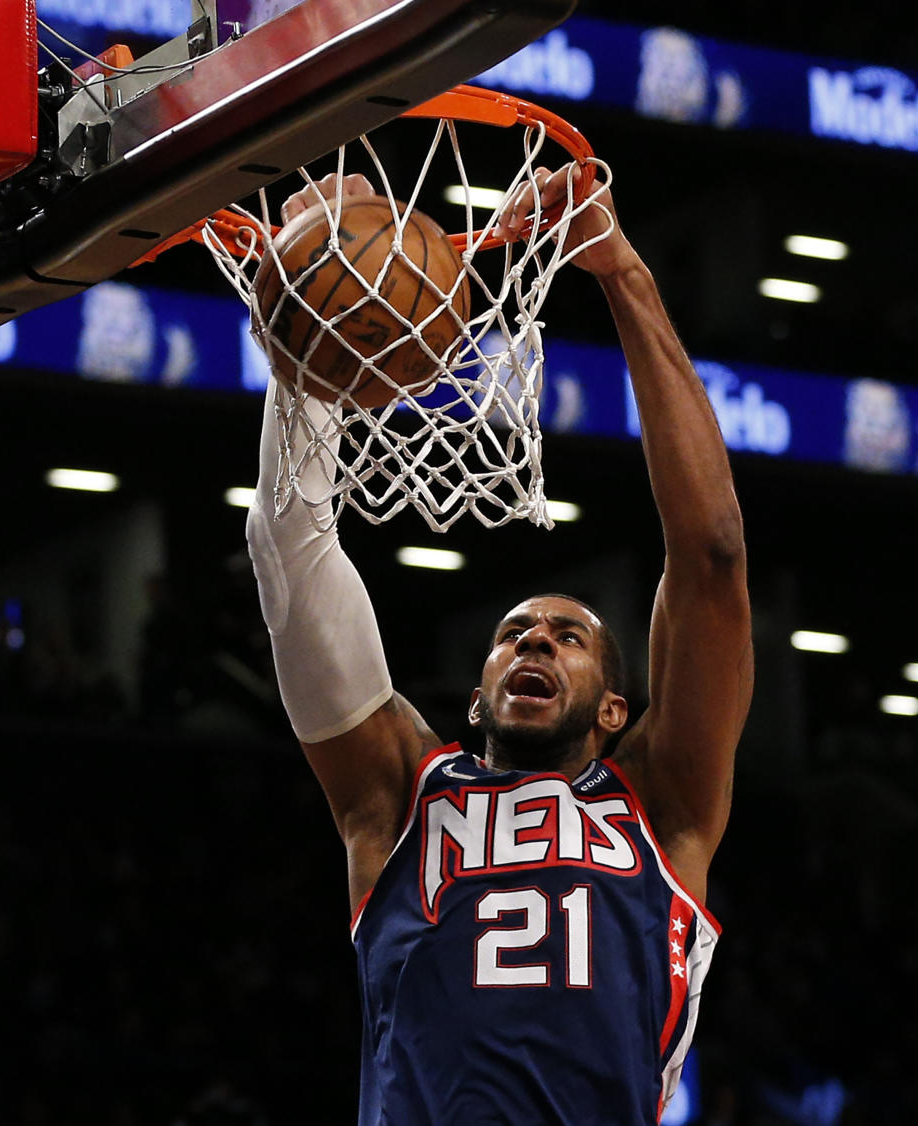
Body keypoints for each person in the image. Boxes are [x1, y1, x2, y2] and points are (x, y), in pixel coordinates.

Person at [245, 166, 753, 1125]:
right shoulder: (396, 794)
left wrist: (621, 272)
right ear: (475, 697)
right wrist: (306, 362)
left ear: (615, 707)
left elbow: (713, 556)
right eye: (516, 631)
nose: (538, 641)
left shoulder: (663, 801)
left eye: (569, 636)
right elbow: (290, 547)